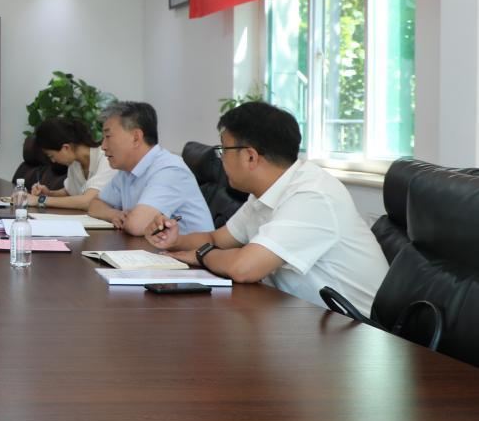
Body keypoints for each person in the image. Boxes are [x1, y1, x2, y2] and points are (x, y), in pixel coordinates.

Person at [145, 101, 388, 313]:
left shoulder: (312, 195)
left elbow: (244, 268)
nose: (221, 159)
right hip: (302, 316)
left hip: (355, 332)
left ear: (250, 156)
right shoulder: (266, 192)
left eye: (223, 150)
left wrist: (202, 255)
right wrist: (174, 240)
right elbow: (216, 239)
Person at [87, 101, 214, 235]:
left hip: (190, 248)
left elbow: (137, 226)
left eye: (108, 137)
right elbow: (95, 205)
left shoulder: (170, 170)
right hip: (152, 246)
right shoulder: (127, 170)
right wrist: (114, 214)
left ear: (136, 138)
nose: (103, 146)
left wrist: (128, 218)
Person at [27, 117, 115, 211]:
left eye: (51, 156)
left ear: (66, 148)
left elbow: (88, 201)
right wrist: (49, 194)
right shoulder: (75, 163)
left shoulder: (107, 159)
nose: (53, 161)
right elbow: (70, 192)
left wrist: (40, 200)